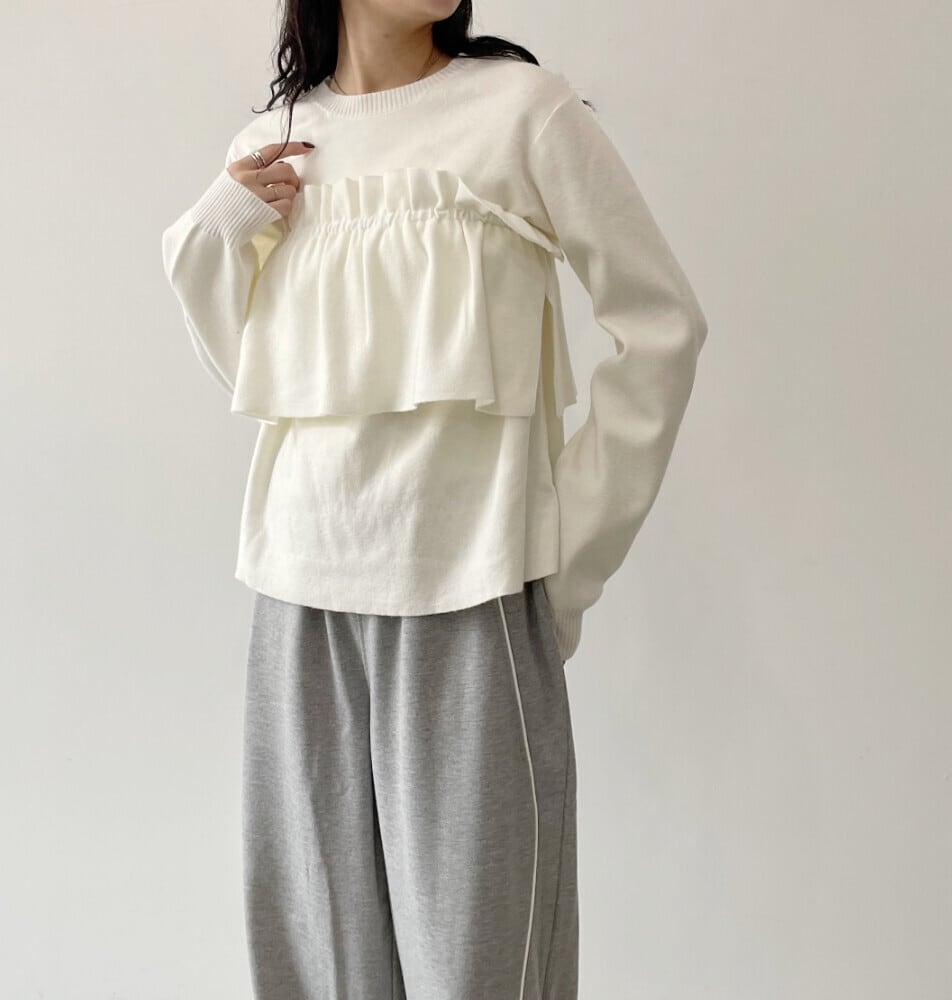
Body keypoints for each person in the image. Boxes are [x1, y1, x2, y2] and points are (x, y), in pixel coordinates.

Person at [160, 2, 708, 997]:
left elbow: (662, 326)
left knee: (481, 971)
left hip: (472, 598)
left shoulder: (521, 112)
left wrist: (565, 550)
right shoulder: (273, 147)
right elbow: (253, 372)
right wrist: (216, 226)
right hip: (297, 614)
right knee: (317, 969)